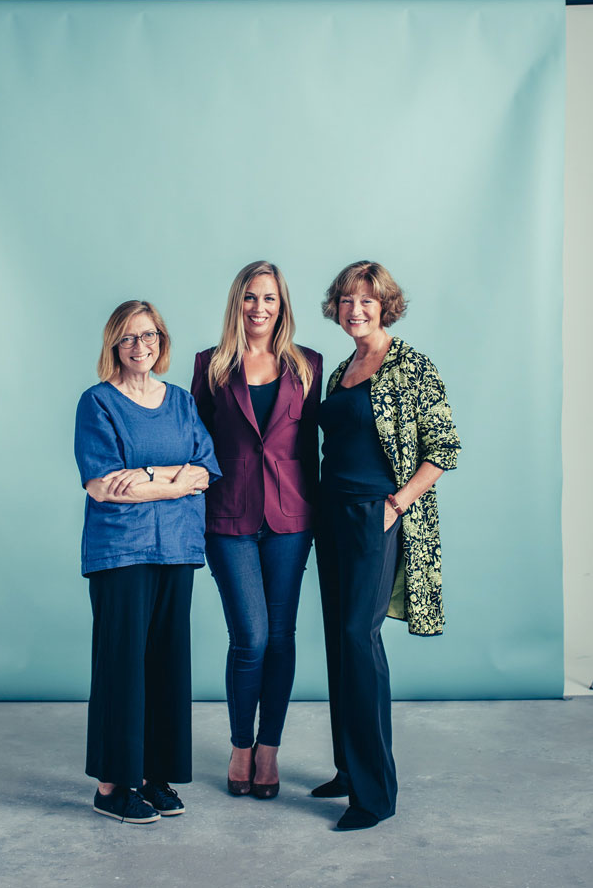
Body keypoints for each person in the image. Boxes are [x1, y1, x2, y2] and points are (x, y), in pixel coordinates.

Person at [314, 261, 461, 831]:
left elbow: (443, 449)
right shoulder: (340, 371)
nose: (356, 310)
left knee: (359, 636)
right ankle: (349, 769)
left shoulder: (412, 365)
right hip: (331, 514)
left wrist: (395, 505)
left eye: (367, 301)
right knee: (337, 640)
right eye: (347, 301)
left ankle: (375, 795)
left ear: (385, 306)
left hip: (379, 515)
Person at [74, 299, 220, 824]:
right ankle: (113, 786)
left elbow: (205, 472)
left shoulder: (180, 400)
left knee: (165, 664)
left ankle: (153, 776)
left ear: (162, 340)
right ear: (115, 345)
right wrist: (173, 479)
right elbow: (103, 485)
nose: (142, 346)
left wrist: (149, 477)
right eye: (130, 338)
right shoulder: (97, 403)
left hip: (177, 548)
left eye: (150, 335)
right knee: (122, 666)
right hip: (120, 553)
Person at [192, 260, 322, 799]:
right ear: (236, 303)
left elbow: (317, 443)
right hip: (229, 519)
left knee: (283, 637)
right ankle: (240, 744)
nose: (259, 308)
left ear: (282, 305)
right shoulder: (210, 365)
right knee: (251, 638)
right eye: (250, 297)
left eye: (269, 299)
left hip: (291, 519)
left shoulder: (308, 364)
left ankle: (269, 749)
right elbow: (196, 443)